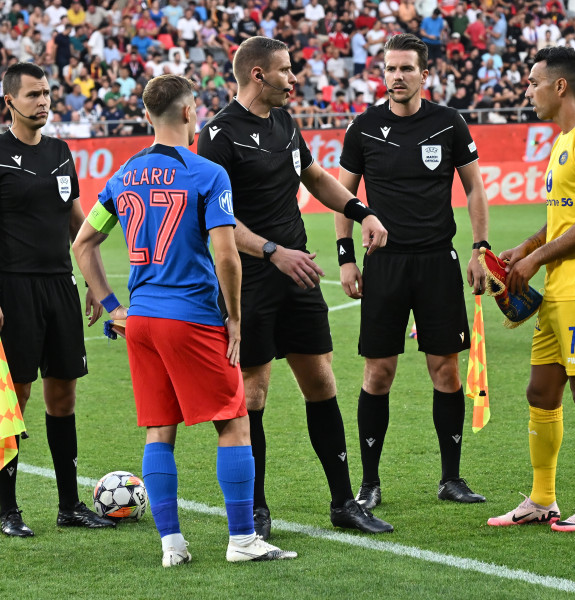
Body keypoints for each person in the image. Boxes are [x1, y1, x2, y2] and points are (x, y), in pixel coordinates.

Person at [72, 74, 297, 567]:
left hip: (141, 320)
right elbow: (227, 256)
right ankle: (243, 540)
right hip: (190, 316)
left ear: (148, 116)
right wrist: (234, 319)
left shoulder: (124, 174)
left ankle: (172, 545)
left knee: (159, 429)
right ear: (190, 113)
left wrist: (112, 307)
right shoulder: (205, 174)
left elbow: (83, 244)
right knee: (233, 422)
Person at [196, 36, 393, 540]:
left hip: (298, 272)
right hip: (251, 276)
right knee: (255, 393)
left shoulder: (285, 122)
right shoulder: (218, 135)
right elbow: (217, 220)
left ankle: (343, 502)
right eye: (286, 70)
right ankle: (256, 508)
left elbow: (315, 176)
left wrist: (361, 210)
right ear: (258, 75)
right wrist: (271, 251)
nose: (294, 78)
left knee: (322, 382)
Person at [335, 33, 489, 510]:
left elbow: (475, 190)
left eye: (406, 68)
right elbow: (343, 196)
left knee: (445, 370)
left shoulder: (448, 123)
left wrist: (479, 248)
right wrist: (345, 257)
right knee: (378, 373)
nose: (396, 77)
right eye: (390, 68)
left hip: (437, 262)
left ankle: (451, 478)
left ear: (425, 74)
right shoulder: (364, 127)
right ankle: (370, 483)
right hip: (385, 264)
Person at [0, 62, 116, 537]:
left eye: (47, 93)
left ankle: (69, 505)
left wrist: (97, 284)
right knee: (18, 396)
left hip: (60, 285)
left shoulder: (59, 151)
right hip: (14, 289)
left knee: (63, 393)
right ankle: (9, 510)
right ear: (9, 101)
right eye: (33, 95)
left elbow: (77, 221)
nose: (43, 102)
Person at [487, 47, 575, 532]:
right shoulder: (563, 141)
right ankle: (543, 498)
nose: (527, 91)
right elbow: (560, 219)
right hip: (557, 287)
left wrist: (534, 259)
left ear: (559, 86)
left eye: (532, 82)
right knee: (541, 391)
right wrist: (524, 246)